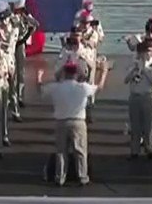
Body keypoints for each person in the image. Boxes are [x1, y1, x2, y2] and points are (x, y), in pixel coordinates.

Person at [37, 59, 107, 187]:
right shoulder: (83, 87)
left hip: (61, 122)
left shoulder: (56, 87)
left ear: (64, 72)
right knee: (80, 151)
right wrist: (103, 73)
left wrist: (39, 77)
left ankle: (60, 177)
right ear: (76, 73)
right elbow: (99, 87)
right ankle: (83, 177)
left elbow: (40, 89)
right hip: (78, 121)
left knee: (61, 151)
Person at [124, 38, 152, 160]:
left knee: (148, 125)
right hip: (134, 96)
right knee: (135, 125)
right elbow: (125, 80)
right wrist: (135, 71)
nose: (145, 54)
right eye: (142, 52)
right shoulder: (133, 64)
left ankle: (150, 148)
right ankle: (134, 150)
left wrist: (144, 69)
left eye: (146, 52)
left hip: (147, 96)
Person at [8, 1, 40, 118]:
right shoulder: (10, 17)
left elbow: (36, 24)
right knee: (12, 72)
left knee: (21, 71)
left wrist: (26, 16)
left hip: (20, 44)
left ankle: (20, 95)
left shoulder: (25, 17)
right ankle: (11, 97)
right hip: (11, 45)